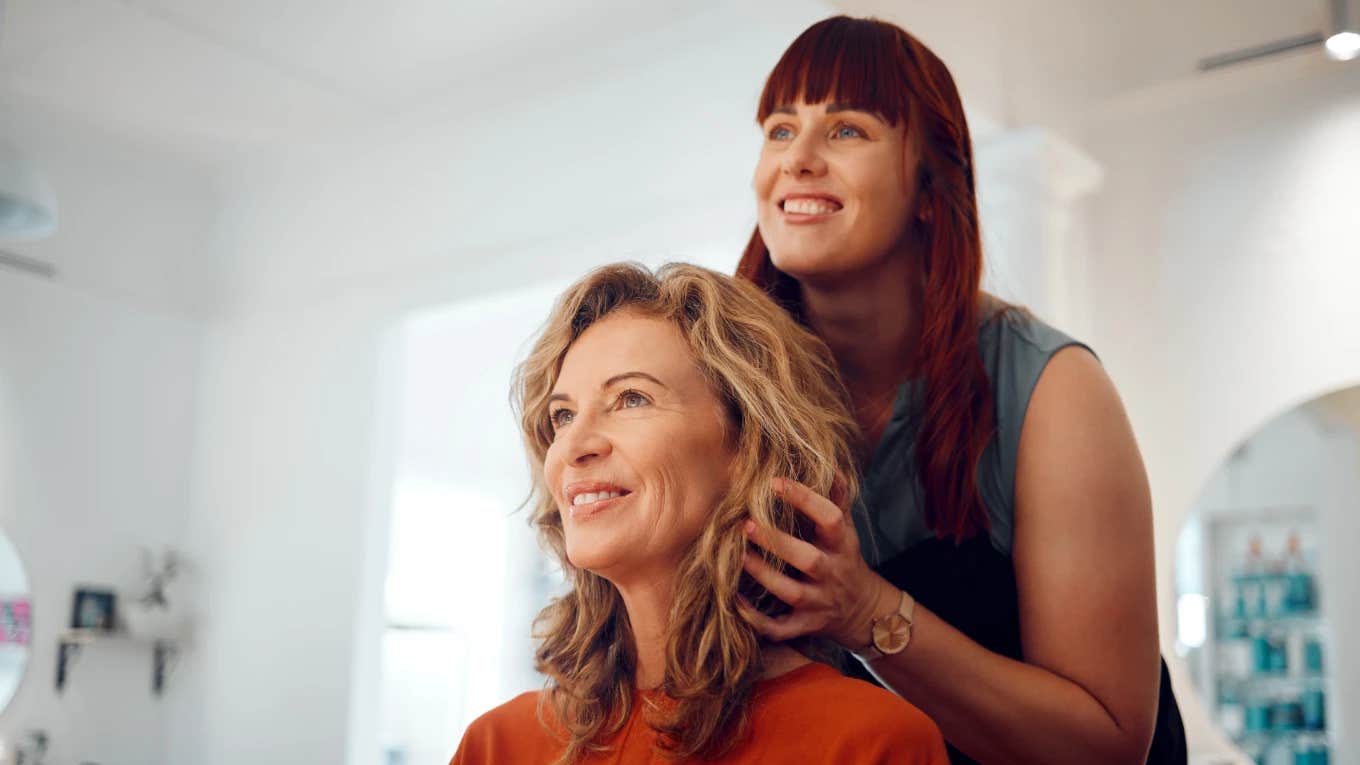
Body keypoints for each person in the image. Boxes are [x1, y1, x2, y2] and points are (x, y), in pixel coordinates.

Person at [733, 16, 1187, 765]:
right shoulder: (726, 388)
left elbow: (1108, 745)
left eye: (847, 130)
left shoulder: (1053, 391)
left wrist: (867, 610)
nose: (799, 160)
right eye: (780, 130)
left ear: (929, 189)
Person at [449, 263, 949, 764]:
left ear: (748, 449)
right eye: (563, 415)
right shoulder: (497, 745)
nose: (573, 446)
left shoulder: (871, 743)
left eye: (630, 398)